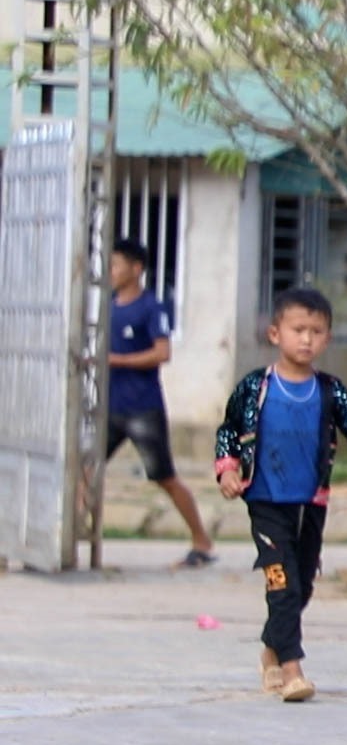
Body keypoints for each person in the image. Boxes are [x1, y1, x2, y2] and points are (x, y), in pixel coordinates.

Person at [213, 287, 347, 702]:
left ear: (327, 338)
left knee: (302, 584)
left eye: (316, 331)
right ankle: (292, 670)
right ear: (275, 333)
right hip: (266, 502)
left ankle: (271, 652)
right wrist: (228, 469)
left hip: (311, 504)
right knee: (281, 582)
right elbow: (228, 431)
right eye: (298, 329)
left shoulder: (330, 391)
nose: (306, 339)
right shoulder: (255, 388)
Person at [105, 239, 215, 568]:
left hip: (143, 407)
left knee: (164, 476)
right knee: (85, 471)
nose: (111, 271)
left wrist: (118, 361)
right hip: (109, 407)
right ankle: (68, 542)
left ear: (136, 269)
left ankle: (202, 540)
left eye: (116, 265)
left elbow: (162, 353)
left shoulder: (151, 307)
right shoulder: (107, 305)